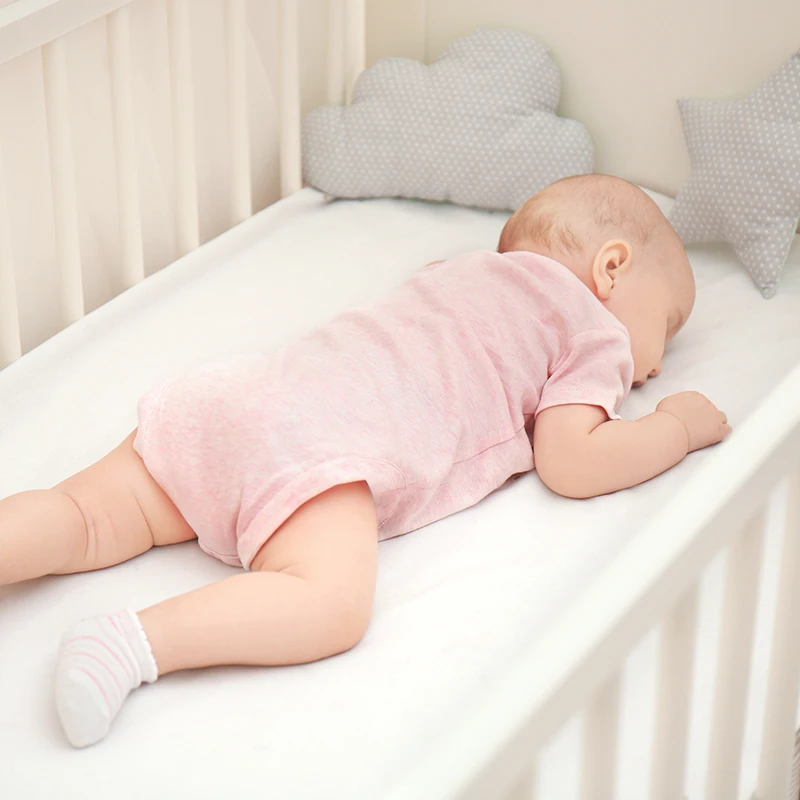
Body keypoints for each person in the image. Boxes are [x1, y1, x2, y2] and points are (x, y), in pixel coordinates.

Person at [0, 174, 729, 747]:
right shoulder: (592, 329)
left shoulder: (458, 270)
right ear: (611, 268)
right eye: (666, 323)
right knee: (332, 605)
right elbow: (571, 460)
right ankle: (129, 644)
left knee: (81, 518)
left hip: (236, 397)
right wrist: (674, 429)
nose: (657, 364)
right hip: (318, 448)